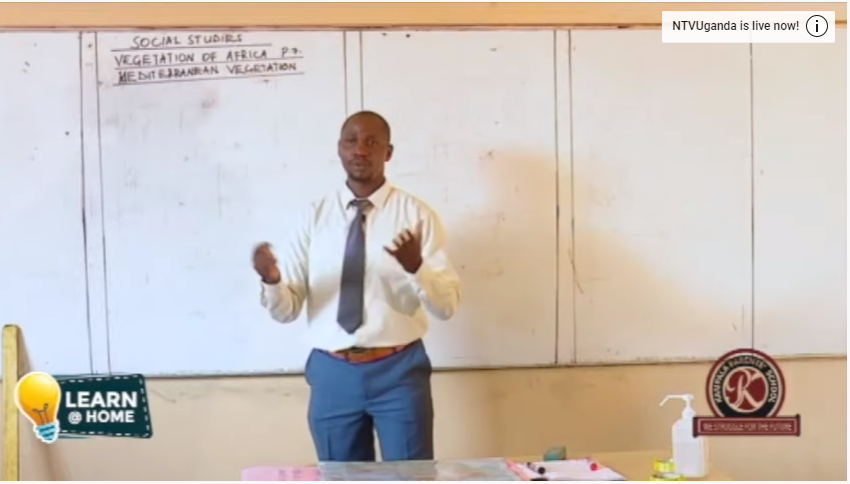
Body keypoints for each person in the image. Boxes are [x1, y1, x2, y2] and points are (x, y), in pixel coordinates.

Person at [252, 110, 461, 463]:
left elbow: (446, 306)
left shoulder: (416, 216)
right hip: (332, 373)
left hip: (399, 371)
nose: (360, 149)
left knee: (410, 477)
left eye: (372, 142)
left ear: (388, 152)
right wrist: (272, 281)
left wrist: (417, 268)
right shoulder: (314, 216)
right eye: (351, 141)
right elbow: (287, 311)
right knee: (340, 477)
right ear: (339, 148)